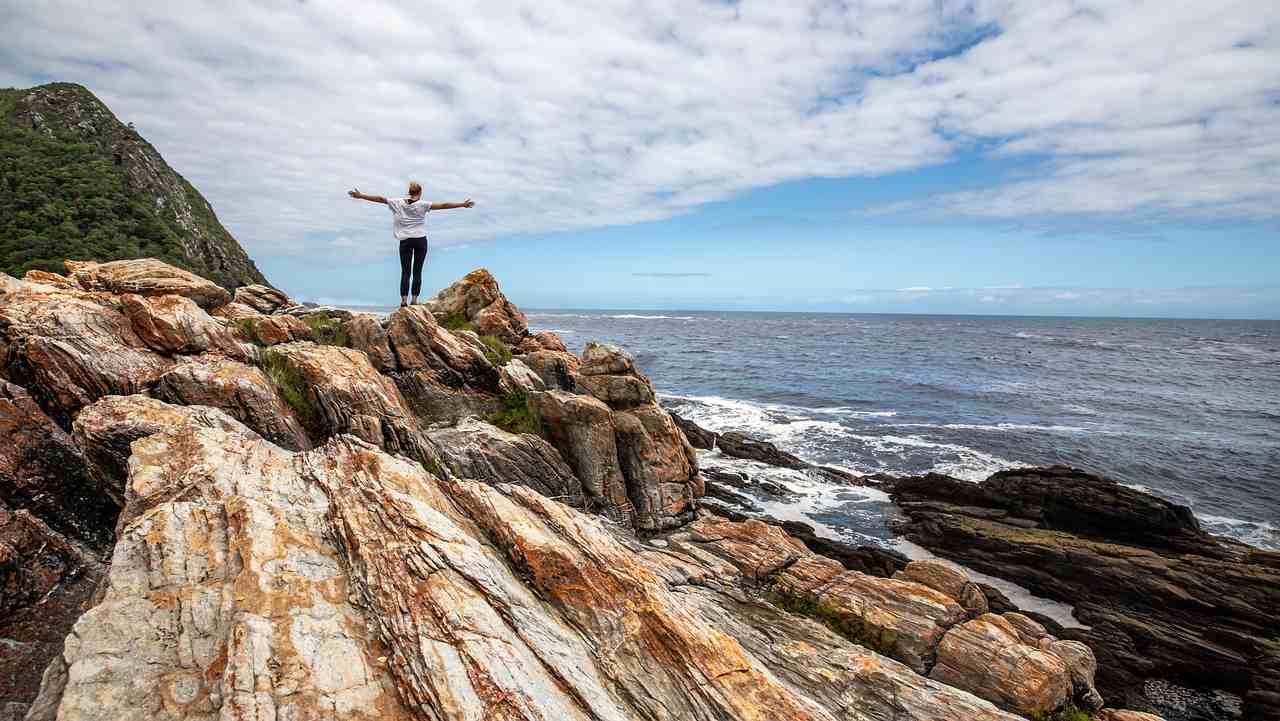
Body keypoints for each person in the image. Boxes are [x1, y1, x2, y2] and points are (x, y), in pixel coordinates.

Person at [348, 181, 475, 306]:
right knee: (417, 271)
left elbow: (380, 199)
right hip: (420, 239)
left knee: (405, 272)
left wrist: (361, 196)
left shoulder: (397, 202)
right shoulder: (423, 204)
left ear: (410, 192)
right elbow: (444, 205)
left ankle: (403, 301)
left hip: (405, 241)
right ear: (420, 192)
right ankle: (414, 300)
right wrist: (462, 204)